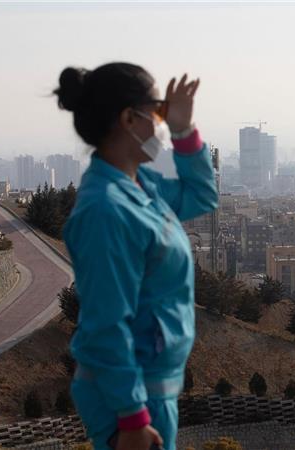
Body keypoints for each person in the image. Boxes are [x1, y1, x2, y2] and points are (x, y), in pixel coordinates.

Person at [55, 63, 218, 450]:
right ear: (129, 118)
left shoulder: (140, 186)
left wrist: (182, 129)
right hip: (130, 398)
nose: (158, 126)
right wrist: (132, 418)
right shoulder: (105, 210)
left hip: (150, 389)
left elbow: (202, 196)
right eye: (157, 114)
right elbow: (106, 323)